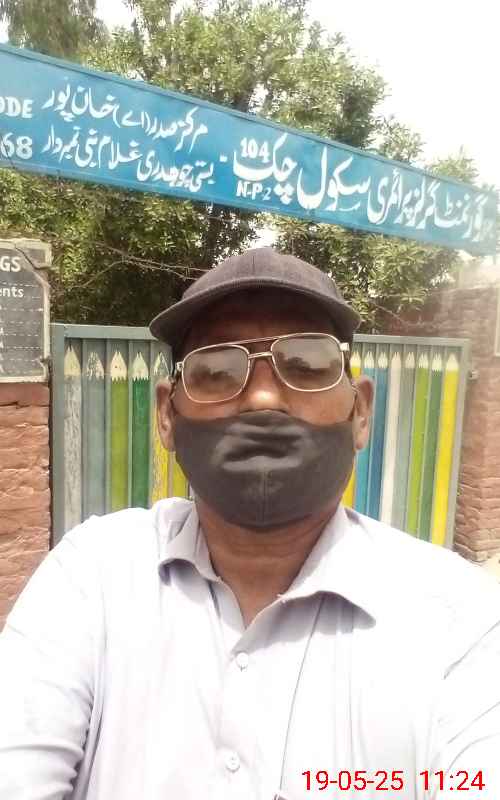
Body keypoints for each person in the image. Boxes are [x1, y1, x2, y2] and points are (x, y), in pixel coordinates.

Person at [1, 247, 499, 800]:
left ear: (360, 411)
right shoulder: (93, 577)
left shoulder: (461, 623)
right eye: (217, 370)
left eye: (306, 363)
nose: (262, 398)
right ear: (167, 415)